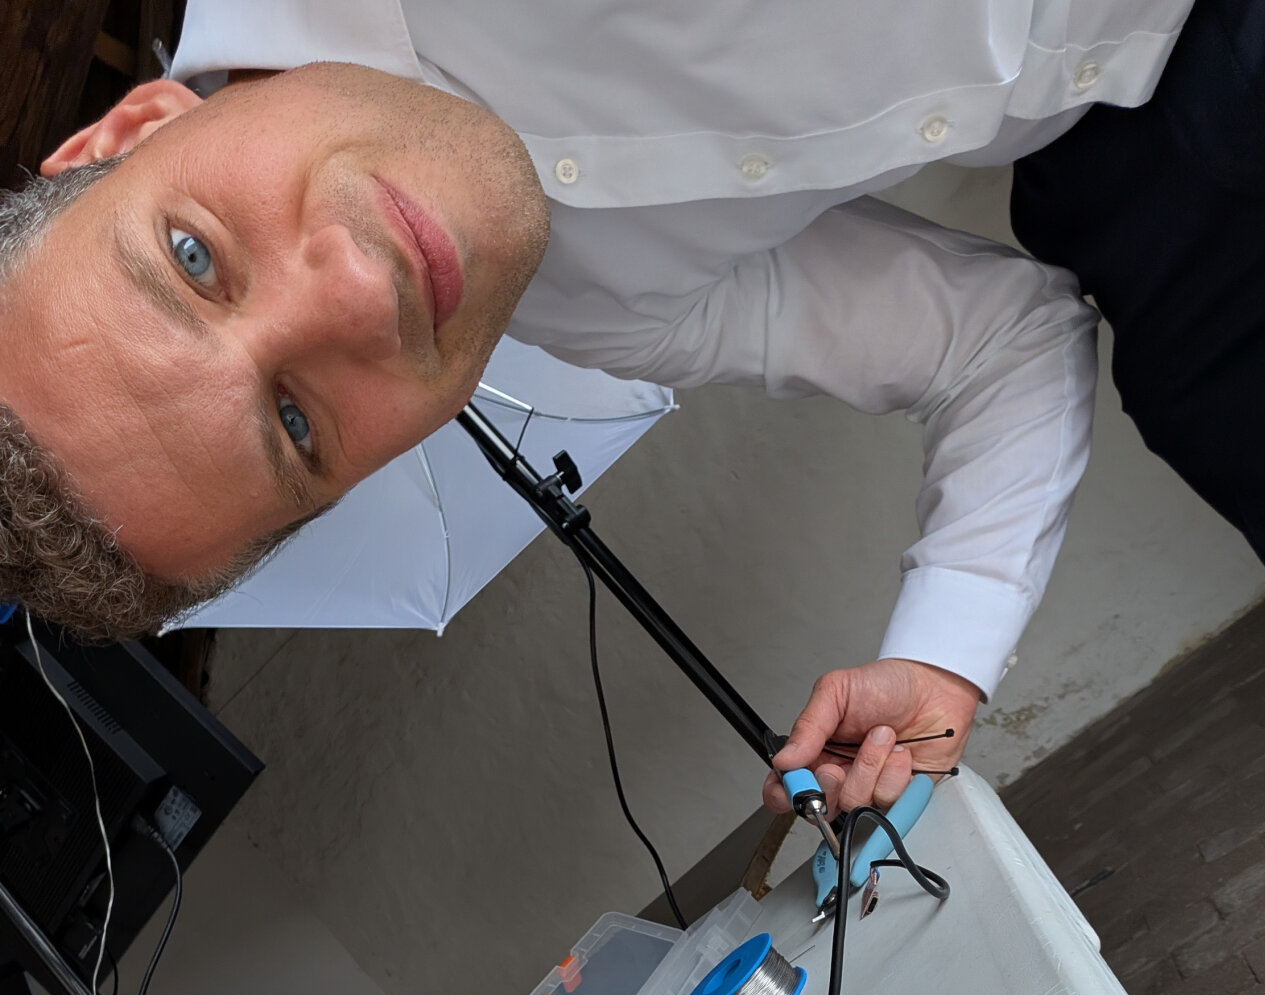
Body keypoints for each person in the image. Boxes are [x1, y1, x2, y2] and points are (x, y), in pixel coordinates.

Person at [1, 1, 1203, 815]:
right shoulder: (597, 316)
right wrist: (942, 656)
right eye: (298, 426)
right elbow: (999, 336)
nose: (360, 292)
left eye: (193, 258)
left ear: (138, 124)